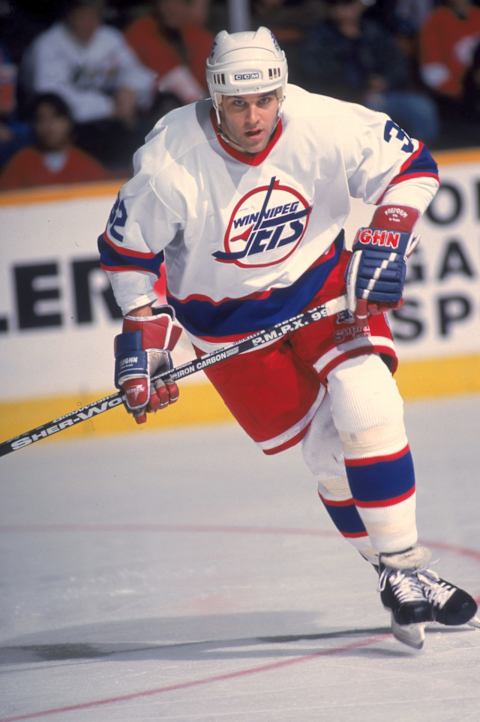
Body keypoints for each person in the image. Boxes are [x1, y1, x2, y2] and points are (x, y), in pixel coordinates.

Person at [98, 27, 478, 649]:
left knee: (369, 399)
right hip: (227, 325)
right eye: (239, 105)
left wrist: (388, 232)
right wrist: (145, 334)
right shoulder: (169, 163)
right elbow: (126, 253)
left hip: (321, 286)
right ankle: (397, 575)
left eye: (266, 100)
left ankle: (406, 567)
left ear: (281, 90)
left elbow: (412, 166)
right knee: (329, 455)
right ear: (216, 100)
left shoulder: (325, 122)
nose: (254, 118)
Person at [23, 0, 157, 171]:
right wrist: (108, 106)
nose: (88, 21)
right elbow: (52, 99)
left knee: (142, 132)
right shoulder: (47, 45)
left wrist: (129, 89)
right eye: (82, 15)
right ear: (69, 15)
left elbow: (139, 74)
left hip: (112, 121)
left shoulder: (110, 38)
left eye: (93, 14)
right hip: (71, 129)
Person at [300, 0, 440, 145]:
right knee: (371, 112)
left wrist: (385, 81)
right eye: (340, 5)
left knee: (421, 107)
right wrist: (361, 84)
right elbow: (318, 73)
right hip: (345, 99)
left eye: (351, 4)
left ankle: (422, 156)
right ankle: (375, 160)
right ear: (331, 9)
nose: (348, 10)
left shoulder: (372, 31)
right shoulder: (320, 37)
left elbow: (396, 63)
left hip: (386, 93)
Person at [0, 92, 109, 191]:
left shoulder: (87, 166)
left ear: (68, 122)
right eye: (41, 119)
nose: (49, 126)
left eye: (56, 117)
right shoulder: (20, 164)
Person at [124, 0, 213, 106]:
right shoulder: (140, 31)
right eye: (165, 2)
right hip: (154, 108)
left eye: (179, 3)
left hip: (199, 106)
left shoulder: (200, 37)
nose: (171, 8)